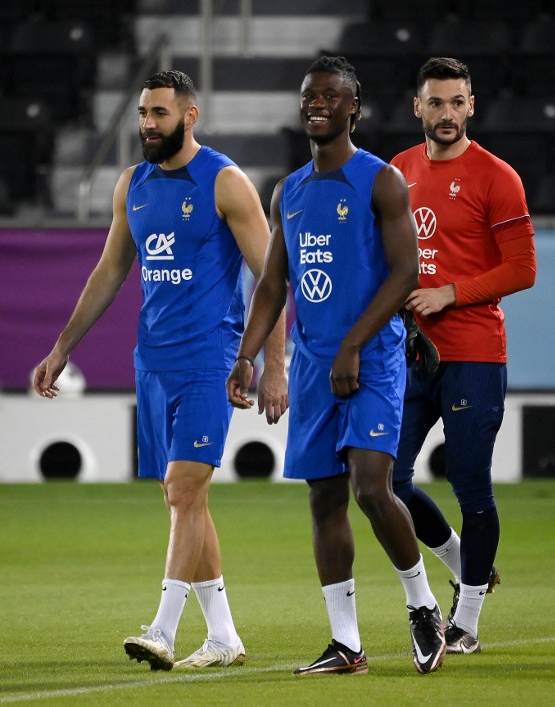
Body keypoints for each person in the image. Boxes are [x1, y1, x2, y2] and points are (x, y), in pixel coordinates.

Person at [32, 70, 288, 671]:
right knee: (184, 502)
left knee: (183, 490)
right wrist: (62, 346)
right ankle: (224, 637)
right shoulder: (133, 184)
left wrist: (273, 364)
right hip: (152, 362)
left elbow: (271, 278)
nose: (147, 124)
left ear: (190, 116)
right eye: (143, 113)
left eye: (159, 114)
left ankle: (164, 631)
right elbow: (109, 272)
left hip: (211, 358)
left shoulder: (224, 182)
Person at [226, 56, 446, 676]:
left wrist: (353, 343)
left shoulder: (381, 182)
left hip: (371, 358)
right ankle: (346, 643)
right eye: (309, 96)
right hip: (313, 366)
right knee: (325, 501)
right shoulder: (287, 191)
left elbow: (407, 271)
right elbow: (272, 285)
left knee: (373, 487)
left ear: (355, 108)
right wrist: (246, 356)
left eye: (331, 96)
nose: (317, 104)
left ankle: (422, 604)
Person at [389, 57, 537, 654]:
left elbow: (523, 269)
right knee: (384, 481)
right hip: (408, 352)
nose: (446, 114)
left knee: (469, 481)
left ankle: (468, 620)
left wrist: (451, 291)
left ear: (471, 106)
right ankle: (460, 557)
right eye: (435, 102)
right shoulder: (397, 170)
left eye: (456, 102)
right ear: (417, 107)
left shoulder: (497, 176)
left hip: (475, 351)